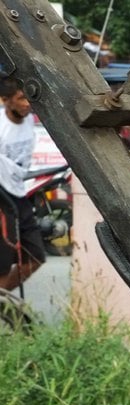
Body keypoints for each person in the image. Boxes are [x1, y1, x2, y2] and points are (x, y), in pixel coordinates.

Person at [0, 78, 45, 292]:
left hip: (19, 193)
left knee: (35, 257)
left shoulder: (29, 119)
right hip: (2, 198)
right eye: (20, 98)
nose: (27, 103)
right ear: (5, 101)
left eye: (28, 97)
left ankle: (4, 305)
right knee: (2, 265)